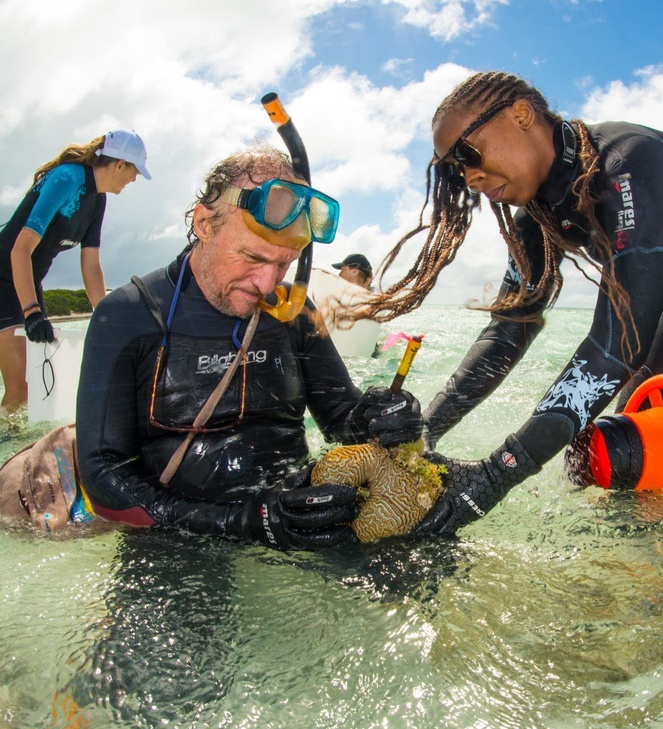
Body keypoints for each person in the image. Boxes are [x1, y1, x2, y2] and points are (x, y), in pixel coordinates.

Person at [360, 70, 663, 535]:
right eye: (453, 170)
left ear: (521, 114)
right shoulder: (537, 221)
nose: (469, 176)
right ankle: (659, 564)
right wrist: (426, 429)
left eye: (467, 152)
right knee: (628, 449)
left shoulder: (627, 161)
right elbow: (507, 331)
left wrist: (497, 472)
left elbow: (618, 345)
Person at [75, 146, 422, 549]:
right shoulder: (127, 314)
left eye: (284, 264)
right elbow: (102, 474)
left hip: (292, 517)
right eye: (252, 257)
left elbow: (342, 419)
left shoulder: (292, 309)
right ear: (205, 224)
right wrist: (233, 522)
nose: (266, 283)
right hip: (179, 537)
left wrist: (382, 419)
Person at [0, 129, 151, 412]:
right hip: (4, 278)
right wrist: (32, 313)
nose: (134, 179)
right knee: (19, 389)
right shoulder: (67, 178)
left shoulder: (98, 199)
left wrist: (106, 317)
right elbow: (19, 250)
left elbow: (91, 265)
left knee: (40, 392)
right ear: (119, 164)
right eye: (135, 172)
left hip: (28, 285)